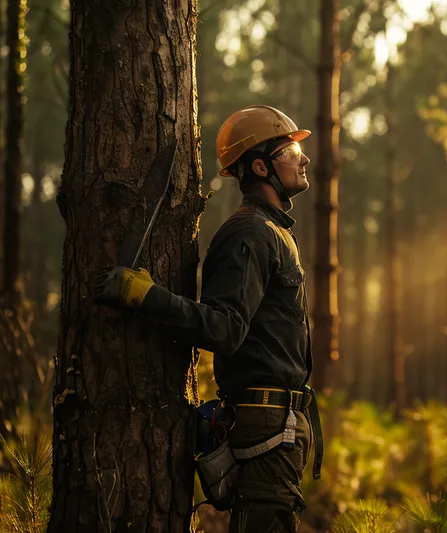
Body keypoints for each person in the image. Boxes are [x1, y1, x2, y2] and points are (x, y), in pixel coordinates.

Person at [93, 105, 322, 532]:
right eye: (291, 150)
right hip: (267, 424)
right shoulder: (251, 233)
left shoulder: (271, 232)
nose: (303, 157)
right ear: (259, 165)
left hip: (280, 423)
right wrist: (147, 297)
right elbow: (224, 328)